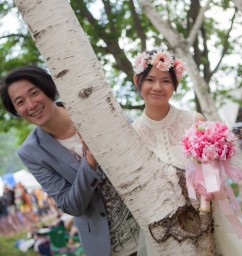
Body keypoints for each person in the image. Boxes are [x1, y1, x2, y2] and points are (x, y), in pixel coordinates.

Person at [0, 66, 139, 256]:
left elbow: (137, 142)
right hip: (111, 247)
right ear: (16, 110)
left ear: (47, 89)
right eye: (20, 102)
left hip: (150, 220)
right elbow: (70, 204)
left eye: (34, 93)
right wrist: (89, 163)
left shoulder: (89, 107)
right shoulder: (31, 152)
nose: (31, 104)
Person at [131, 46, 242, 256]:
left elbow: (213, 175)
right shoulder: (132, 133)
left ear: (175, 85)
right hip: (162, 228)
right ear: (137, 81)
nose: (157, 87)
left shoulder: (194, 120)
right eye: (150, 80)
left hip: (206, 219)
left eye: (165, 81)